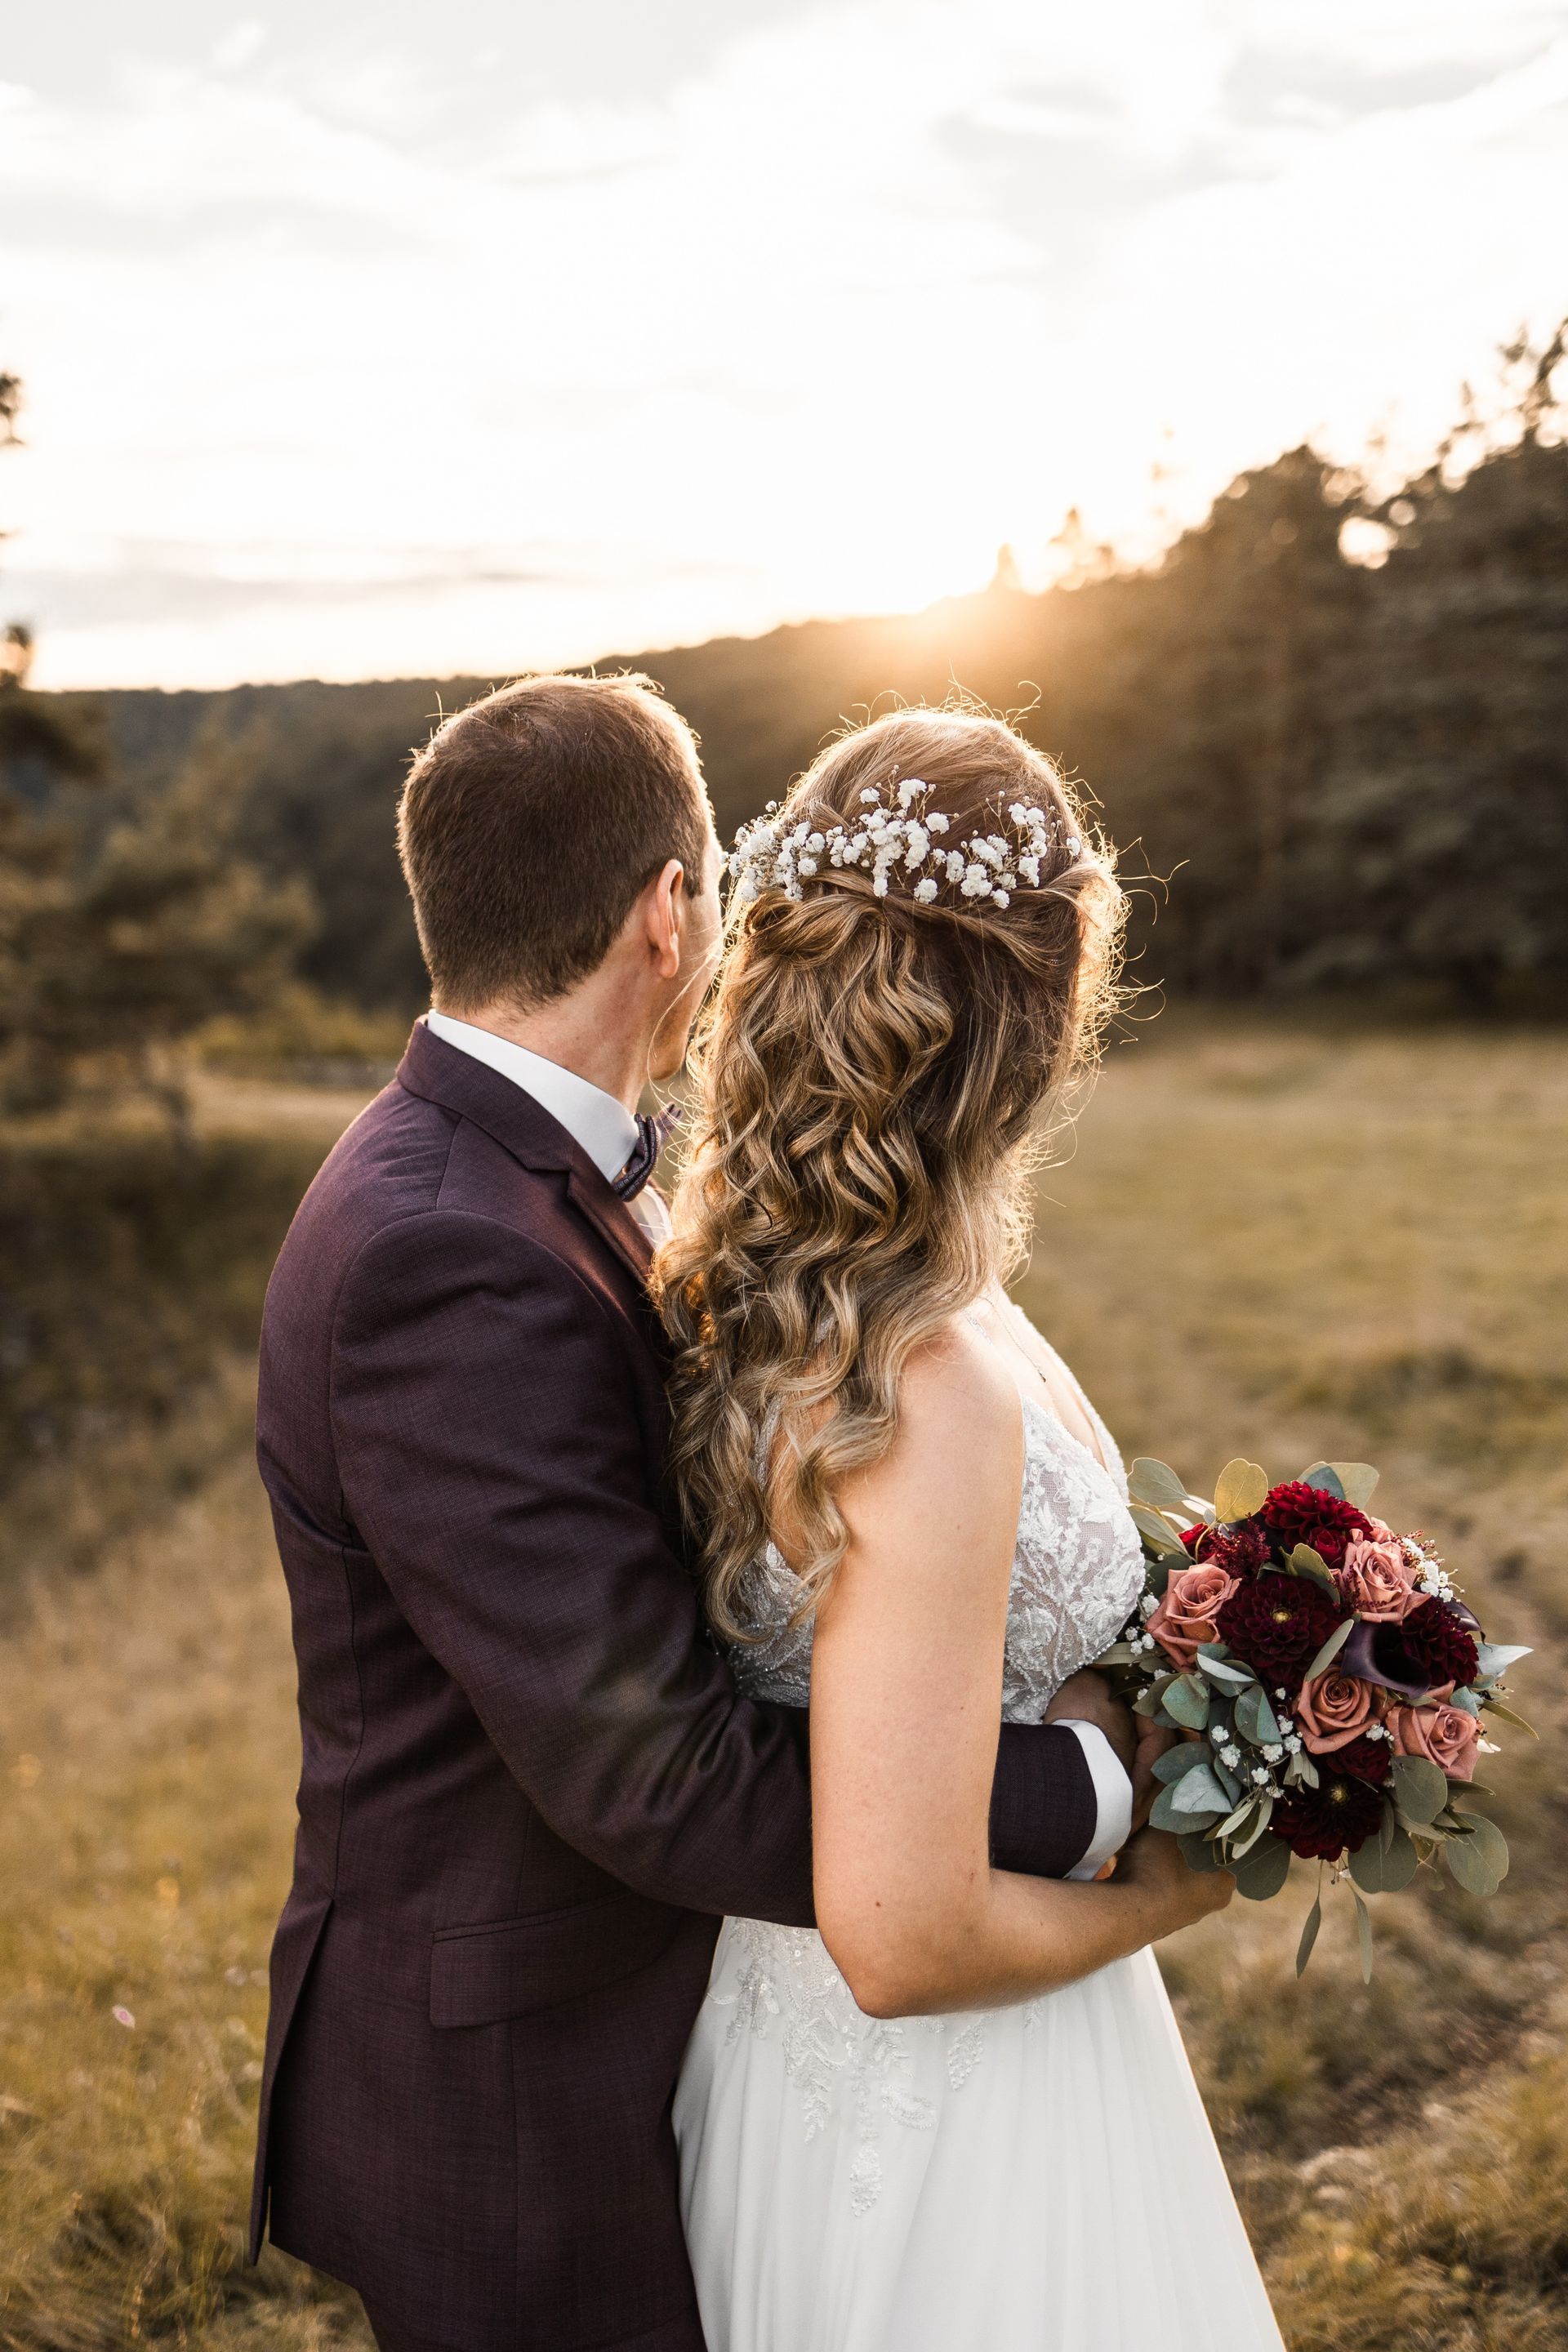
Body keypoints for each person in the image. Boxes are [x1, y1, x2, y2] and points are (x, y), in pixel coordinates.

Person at [248, 672, 1189, 2352]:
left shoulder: (627, 1197)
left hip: (686, 2020)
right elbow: (657, 1773)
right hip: (515, 2080)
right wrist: (1119, 1781)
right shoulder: (444, 1250)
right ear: (672, 911)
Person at [659, 707, 1281, 2350]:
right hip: (946, 2117)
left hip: (780, 2042)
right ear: (1046, 1010)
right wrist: (1184, 1884)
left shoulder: (762, 1279)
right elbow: (904, 1935)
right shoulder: (922, 1385)